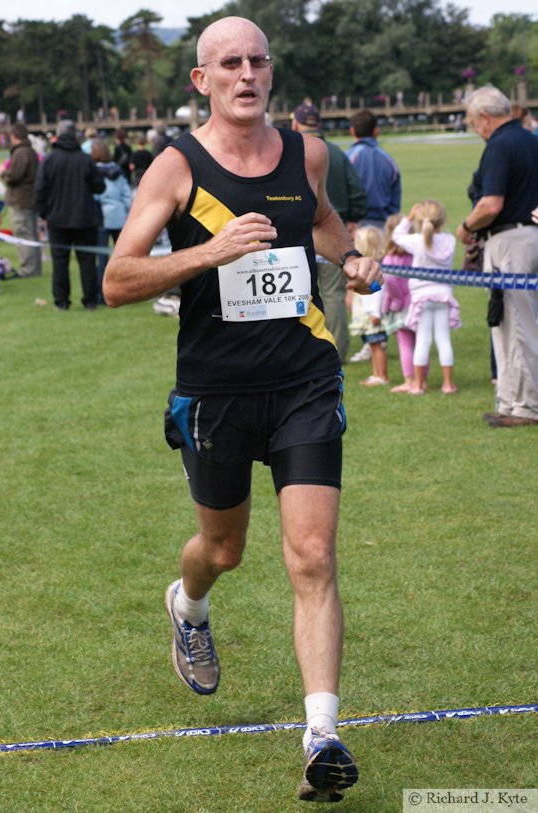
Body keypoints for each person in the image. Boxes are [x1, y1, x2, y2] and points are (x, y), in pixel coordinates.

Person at [103, 15, 383, 804]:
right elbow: (117, 281)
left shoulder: (307, 153)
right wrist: (208, 252)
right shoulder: (174, 168)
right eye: (229, 62)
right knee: (221, 551)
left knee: (312, 555)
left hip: (304, 380)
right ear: (202, 80)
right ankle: (187, 605)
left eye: (258, 59)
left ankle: (321, 734)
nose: (247, 73)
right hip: (217, 394)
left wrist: (351, 256)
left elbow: (321, 223)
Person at [456, 86, 538, 428]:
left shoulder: (500, 146)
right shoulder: (530, 138)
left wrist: (465, 227)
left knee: (515, 326)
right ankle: (509, 400)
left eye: (475, 122)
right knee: (517, 323)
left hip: (509, 240)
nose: (476, 129)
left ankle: (525, 407)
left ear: (485, 117)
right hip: (530, 236)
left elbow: (491, 204)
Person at [291, 100, 367, 364]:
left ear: (295, 123)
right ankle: (336, 349)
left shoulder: (288, 153)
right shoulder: (335, 152)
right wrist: (353, 218)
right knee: (334, 294)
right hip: (336, 233)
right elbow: (357, 191)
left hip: (298, 235)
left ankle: (302, 350)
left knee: (297, 293)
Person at [35, 119, 105, 310]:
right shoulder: (85, 159)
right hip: (84, 218)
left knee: (60, 262)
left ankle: (62, 301)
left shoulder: (49, 160)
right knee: (87, 261)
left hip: (57, 219)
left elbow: (40, 189)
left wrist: (43, 213)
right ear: (75, 135)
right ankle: (90, 300)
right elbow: (99, 186)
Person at [393, 200, 460, 395]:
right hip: (444, 295)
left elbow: (397, 236)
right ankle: (448, 384)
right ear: (442, 219)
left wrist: (409, 218)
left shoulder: (417, 241)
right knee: (443, 339)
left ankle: (418, 384)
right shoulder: (450, 241)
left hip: (421, 296)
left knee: (423, 340)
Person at [381, 213, 419, 393]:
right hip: (418, 304)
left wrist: (395, 301)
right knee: (421, 342)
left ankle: (409, 380)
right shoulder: (416, 256)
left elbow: (390, 281)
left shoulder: (389, 259)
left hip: (402, 306)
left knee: (405, 343)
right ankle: (421, 380)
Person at [0, 123, 42, 277]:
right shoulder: (29, 151)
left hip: (22, 199)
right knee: (31, 235)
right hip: (28, 198)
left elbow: (15, 176)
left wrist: (4, 173)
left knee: (23, 234)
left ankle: (28, 269)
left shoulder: (21, 153)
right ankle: (34, 268)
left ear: (15, 136)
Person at [91, 139, 132, 304]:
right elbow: (126, 194)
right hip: (119, 215)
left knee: (101, 258)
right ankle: (127, 291)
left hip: (101, 215)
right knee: (123, 258)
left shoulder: (93, 171)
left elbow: (95, 194)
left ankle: (102, 294)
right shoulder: (119, 171)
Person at [346, 110, 401, 227]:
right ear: (376, 131)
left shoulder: (347, 158)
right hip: (384, 226)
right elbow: (395, 201)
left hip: (354, 227)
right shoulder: (388, 160)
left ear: (352, 131)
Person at [351, 225, 389, 386]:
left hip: (372, 315)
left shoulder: (373, 269)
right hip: (367, 313)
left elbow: (378, 291)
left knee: (376, 345)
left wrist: (376, 313)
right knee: (372, 345)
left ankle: (382, 376)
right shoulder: (365, 267)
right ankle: (376, 374)